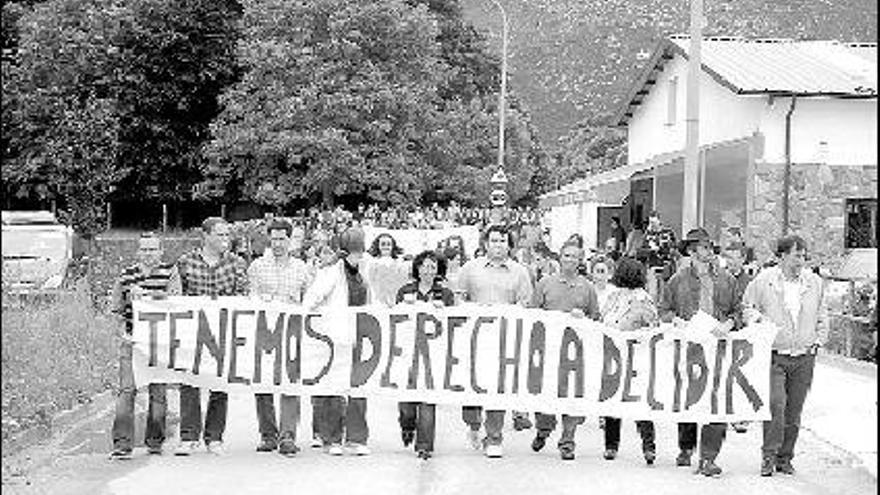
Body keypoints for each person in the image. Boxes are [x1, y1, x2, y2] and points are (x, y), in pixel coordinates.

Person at [742, 235, 827, 477]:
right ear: (782, 256)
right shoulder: (764, 281)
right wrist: (758, 321)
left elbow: (822, 312)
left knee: (794, 411)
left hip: (804, 355)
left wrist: (819, 339)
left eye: (803, 255)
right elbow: (747, 306)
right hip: (774, 354)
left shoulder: (813, 282)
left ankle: (785, 458)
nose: (801, 260)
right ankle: (769, 455)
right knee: (775, 406)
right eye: (796, 255)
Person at [659, 227, 741, 477]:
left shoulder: (727, 280)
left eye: (710, 246)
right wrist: (677, 321)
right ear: (692, 251)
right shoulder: (677, 280)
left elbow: (738, 310)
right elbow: (663, 310)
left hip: (718, 349)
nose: (710, 251)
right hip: (690, 348)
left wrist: (729, 323)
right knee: (689, 398)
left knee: (717, 402)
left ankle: (709, 457)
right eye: (704, 247)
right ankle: (686, 447)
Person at [457, 224, 533, 458]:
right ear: (485, 244)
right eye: (493, 240)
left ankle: (494, 436)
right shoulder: (470, 269)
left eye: (502, 241)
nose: (498, 245)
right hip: (474, 338)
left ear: (509, 245)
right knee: (471, 385)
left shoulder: (520, 272)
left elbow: (526, 304)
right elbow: (459, 299)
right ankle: (473, 424)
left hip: (504, 338)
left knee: (497, 387)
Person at [174, 217, 248, 456]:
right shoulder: (185, 262)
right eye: (220, 234)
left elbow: (243, 295)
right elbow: (176, 297)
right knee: (189, 382)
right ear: (205, 236)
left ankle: (214, 437)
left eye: (227, 235)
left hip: (223, 331)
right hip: (192, 331)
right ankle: (188, 436)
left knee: (219, 383)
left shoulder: (236, 263)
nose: (225, 239)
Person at [109, 232, 181, 459]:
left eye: (153, 249)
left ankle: (155, 441)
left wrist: (147, 296)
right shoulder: (126, 275)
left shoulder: (170, 272)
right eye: (145, 249)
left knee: (158, 392)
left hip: (159, 341)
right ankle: (122, 444)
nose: (149, 254)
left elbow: (175, 301)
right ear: (138, 251)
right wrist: (124, 331)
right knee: (127, 390)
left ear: (161, 251)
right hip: (132, 340)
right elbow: (117, 307)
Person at [302, 227, 372, 456]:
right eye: (355, 250)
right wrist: (321, 323)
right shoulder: (331, 272)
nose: (358, 254)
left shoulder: (365, 271)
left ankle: (356, 438)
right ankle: (331, 439)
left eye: (360, 250)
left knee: (358, 387)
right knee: (332, 389)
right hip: (334, 338)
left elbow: (372, 299)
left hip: (359, 337)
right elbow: (311, 299)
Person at [529, 241, 600, 460]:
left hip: (575, 354)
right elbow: (532, 313)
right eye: (566, 255)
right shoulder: (545, 283)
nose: (569, 260)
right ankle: (543, 428)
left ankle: (568, 442)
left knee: (572, 398)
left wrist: (585, 318)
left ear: (580, 262)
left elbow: (596, 317)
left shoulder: (587, 287)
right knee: (544, 394)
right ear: (559, 258)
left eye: (574, 257)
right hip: (549, 351)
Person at [248, 220, 310, 456]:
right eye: (273, 239)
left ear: (290, 240)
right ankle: (268, 434)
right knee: (262, 383)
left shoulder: (302, 268)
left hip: (292, 332)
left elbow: (309, 301)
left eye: (282, 239)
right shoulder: (256, 266)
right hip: (263, 332)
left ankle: (288, 435)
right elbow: (250, 299)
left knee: (289, 383)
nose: (277, 244)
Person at [395, 251, 455, 460]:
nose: (429, 270)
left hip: (434, 354)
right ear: (417, 268)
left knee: (428, 399)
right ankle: (407, 426)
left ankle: (425, 445)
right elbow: (396, 318)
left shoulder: (446, 294)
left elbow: (454, 323)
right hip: (408, 354)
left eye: (433, 266)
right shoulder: (405, 290)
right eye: (425, 266)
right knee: (407, 403)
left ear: (438, 270)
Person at [600, 256, 659, 465]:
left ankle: (613, 445)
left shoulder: (632, 298)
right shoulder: (619, 296)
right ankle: (647, 445)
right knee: (633, 400)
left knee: (621, 399)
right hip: (626, 354)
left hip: (629, 354)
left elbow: (651, 325)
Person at [721, 241, 753, 434]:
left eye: (734, 258)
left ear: (743, 259)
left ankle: (740, 415)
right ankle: (723, 413)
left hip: (743, 335)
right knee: (723, 373)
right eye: (728, 257)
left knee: (742, 375)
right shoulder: (719, 279)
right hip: (723, 333)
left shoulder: (751, 282)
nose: (731, 262)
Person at [365, 233, 408, 307]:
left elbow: (403, 281)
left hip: (395, 300)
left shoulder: (399, 263)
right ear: (378, 246)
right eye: (383, 244)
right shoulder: (372, 263)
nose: (386, 247)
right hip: (378, 301)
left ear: (393, 246)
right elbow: (370, 281)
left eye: (388, 244)